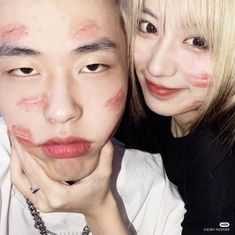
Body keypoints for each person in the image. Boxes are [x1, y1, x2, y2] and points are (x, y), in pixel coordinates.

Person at [0, 0, 185, 234]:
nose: (62, 111)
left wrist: (102, 213)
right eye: (25, 70)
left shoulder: (156, 195)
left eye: (93, 66)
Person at [116, 0, 235, 234]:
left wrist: (99, 210)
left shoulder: (219, 163)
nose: (157, 67)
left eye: (198, 42)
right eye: (148, 27)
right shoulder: (155, 110)